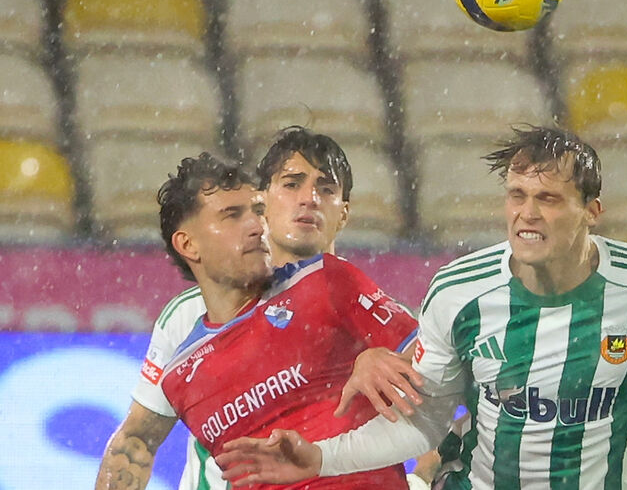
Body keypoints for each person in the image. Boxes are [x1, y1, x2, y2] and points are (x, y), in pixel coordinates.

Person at [214, 126, 627, 489]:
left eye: (548, 199)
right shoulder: (458, 294)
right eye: (517, 196)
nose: (527, 214)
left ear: (591, 211)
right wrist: (322, 459)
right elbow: (423, 422)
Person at [95, 129, 423, 489]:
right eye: (292, 184)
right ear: (268, 196)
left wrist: (421, 480)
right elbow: (137, 440)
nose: (309, 199)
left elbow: (442, 394)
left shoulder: (346, 290)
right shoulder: (184, 320)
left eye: (326, 189)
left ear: (344, 213)